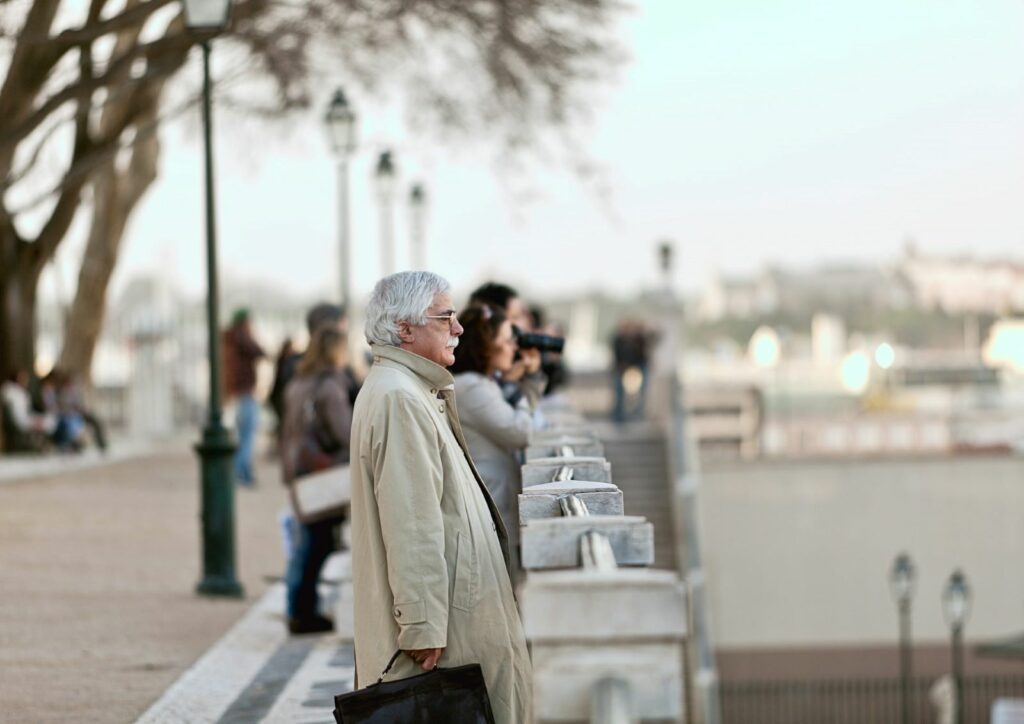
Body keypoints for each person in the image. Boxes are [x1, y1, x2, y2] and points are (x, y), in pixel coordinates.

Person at [349, 271, 532, 724]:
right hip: (446, 634)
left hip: (455, 617)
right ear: (405, 328)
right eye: (445, 317)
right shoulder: (399, 397)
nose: (459, 328)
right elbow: (411, 521)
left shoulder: (410, 389)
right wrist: (421, 625)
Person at [450, 304, 540, 577]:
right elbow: (520, 432)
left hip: (495, 503)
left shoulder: (481, 384)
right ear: (487, 346)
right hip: (490, 509)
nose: (514, 347)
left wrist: (524, 382)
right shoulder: (472, 387)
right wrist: (518, 391)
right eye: (507, 340)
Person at [280, 327, 353, 634]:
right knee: (316, 544)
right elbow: (347, 434)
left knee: (307, 542)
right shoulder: (330, 387)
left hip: (301, 472)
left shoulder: (298, 383)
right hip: (324, 474)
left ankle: (299, 607)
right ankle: (302, 611)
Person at [468, 281, 545, 409]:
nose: (524, 325)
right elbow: (520, 425)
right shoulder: (473, 383)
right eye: (515, 317)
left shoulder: (502, 368)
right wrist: (509, 384)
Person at [222, 308, 266, 486]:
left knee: (244, 436)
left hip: (239, 393)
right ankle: (240, 472)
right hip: (245, 393)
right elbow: (259, 350)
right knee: (247, 436)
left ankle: (244, 472)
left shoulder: (231, 340)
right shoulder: (241, 337)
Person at [1, 371, 55, 452]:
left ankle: (40, 444)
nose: (25, 381)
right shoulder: (9, 390)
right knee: (46, 421)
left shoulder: (22, 392)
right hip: (18, 420)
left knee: (50, 419)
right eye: (22, 378)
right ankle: (37, 445)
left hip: (25, 417)